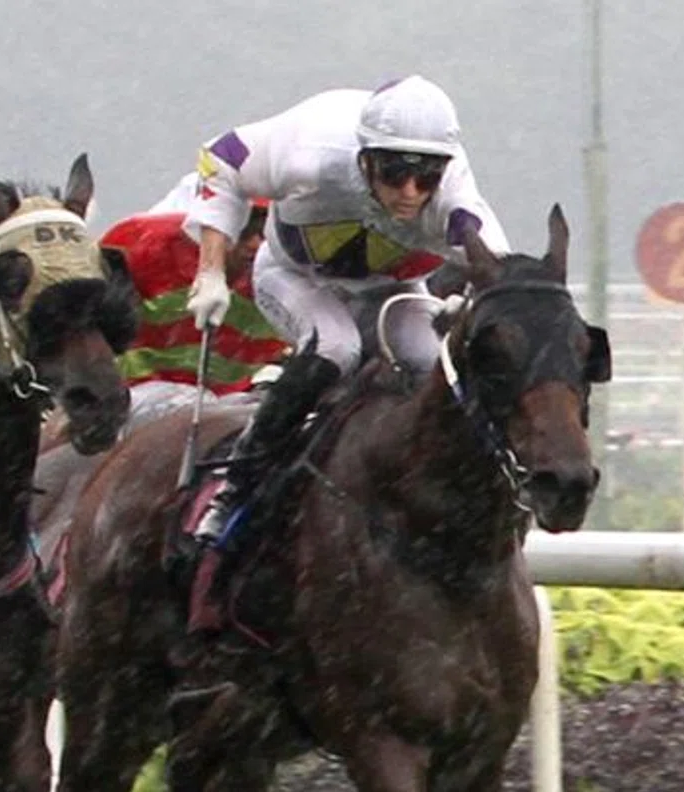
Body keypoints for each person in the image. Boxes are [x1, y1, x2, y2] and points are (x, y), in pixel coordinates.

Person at [181, 75, 510, 543]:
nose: (412, 193)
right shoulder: (310, 154)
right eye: (395, 173)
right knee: (337, 348)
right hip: (296, 277)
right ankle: (236, 489)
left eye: (427, 177)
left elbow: (498, 271)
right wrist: (210, 271)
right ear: (364, 158)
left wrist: (477, 303)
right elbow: (220, 159)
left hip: (392, 289)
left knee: (435, 369)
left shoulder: (455, 195)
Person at [98, 193, 284, 422]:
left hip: (230, 410)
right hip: (135, 402)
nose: (256, 245)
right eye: (243, 230)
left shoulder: (287, 277)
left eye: (267, 234)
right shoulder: (146, 246)